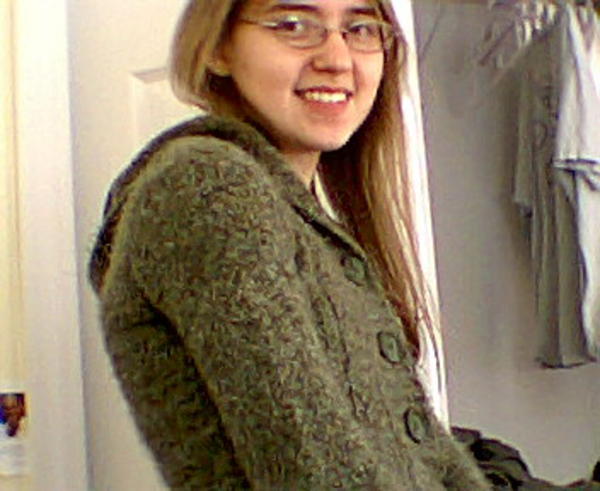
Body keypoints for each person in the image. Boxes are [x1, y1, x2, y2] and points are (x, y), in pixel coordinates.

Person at [89, 0, 491, 489]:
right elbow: (317, 471)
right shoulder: (211, 187)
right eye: (294, 25)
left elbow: (425, 455)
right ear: (218, 47)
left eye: (361, 28)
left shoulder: (301, 216)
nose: (338, 59)